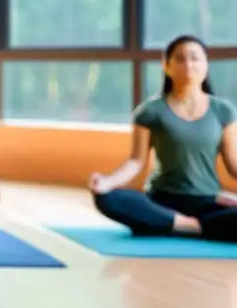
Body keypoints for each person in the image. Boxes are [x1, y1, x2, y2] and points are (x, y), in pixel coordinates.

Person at [90, 34, 237, 241]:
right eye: (180, 58)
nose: (188, 64)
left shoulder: (223, 111)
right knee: (107, 198)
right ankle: (194, 226)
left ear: (205, 65)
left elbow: (234, 164)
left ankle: (180, 226)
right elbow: (136, 161)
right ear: (166, 66)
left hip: (207, 202)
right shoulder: (150, 111)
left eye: (195, 58)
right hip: (161, 202)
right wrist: (107, 182)